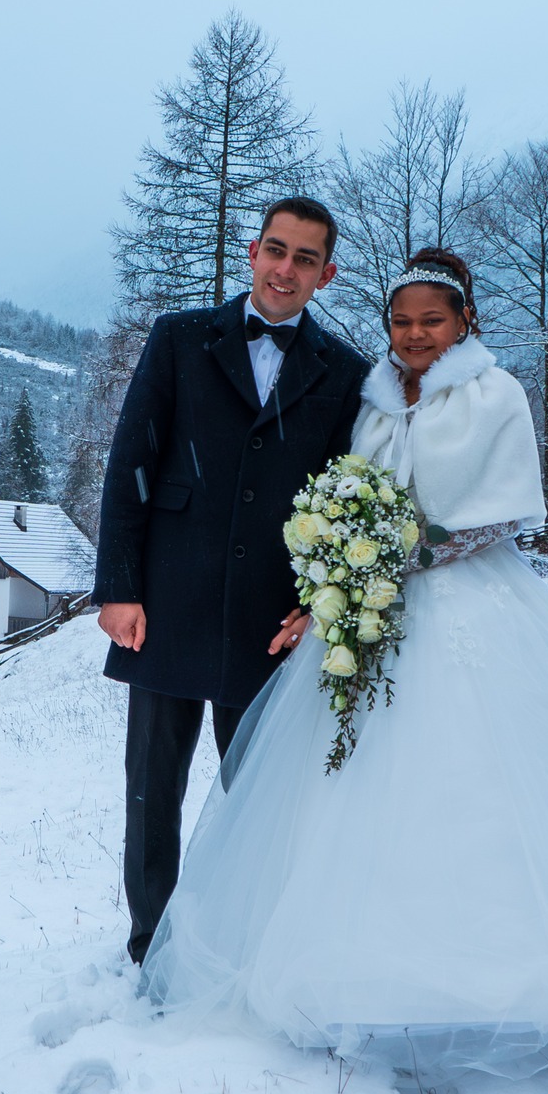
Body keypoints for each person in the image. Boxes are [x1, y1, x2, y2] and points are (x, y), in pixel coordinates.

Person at [139, 249, 548, 1094]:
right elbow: (347, 491)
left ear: (465, 322)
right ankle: (364, 970)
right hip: (376, 616)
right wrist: (343, 566)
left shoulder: (497, 395)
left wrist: (413, 554)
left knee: (490, 786)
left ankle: (524, 974)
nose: (414, 335)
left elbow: (507, 512)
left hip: (477, 609)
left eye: (431, 322)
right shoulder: (370, 398)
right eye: (402, 322)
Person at [95, 196, 370, 966]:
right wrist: (118, 586)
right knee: (151, 791)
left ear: (327, 273)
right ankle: (153, 943)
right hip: (167, 604)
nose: (285, 269)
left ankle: (242, 944)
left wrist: (320, 604)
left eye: (305, 258)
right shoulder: (179, 339)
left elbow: (345, 497)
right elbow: (129, 464)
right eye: (275, 249)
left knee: (255, 795)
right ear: (252, 251)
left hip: (268, 620)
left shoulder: (344, 372)